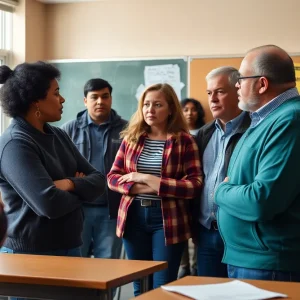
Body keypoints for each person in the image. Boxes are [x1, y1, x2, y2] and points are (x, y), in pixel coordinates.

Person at [0, 62, 105, 258]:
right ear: (35, 101)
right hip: (29, 254)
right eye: (56, 93)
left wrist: (68, 184)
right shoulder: (15, 144)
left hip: (70, 246)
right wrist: (83, 188)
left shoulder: (58, 134)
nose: (62, 99)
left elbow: (99, 181)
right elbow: (49, 204)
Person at [107, 83, 202, 296]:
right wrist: (144, 187)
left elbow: (195, 185)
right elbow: (113, 178)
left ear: (170, 109)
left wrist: (149, 179)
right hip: (133, 217)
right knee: (140, 283)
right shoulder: (131, 138)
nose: (150, 110)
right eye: (146, 104)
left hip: (168, 219)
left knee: (162, 285)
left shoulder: (184, 141)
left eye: (158, 105)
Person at [215, 45, 300, 282]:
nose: (237, 85)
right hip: (250, 258)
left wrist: (220, 191)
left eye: (241, 78)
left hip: (270, 263)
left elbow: (262, 201)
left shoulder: (290, 120)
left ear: (262, 84)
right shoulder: (264, 120)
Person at [193, 66, 251, 277]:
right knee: (208, 292)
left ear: (238, 91)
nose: (213, 99)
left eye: (220, 91)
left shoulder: (253, 129)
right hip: (206, 231)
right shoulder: (204, 133)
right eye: (209, 93)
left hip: (239, 233)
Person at [62, 78, 126, 260]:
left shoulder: (127, 130)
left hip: (111, 209)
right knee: (76, 261)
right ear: (85, 100)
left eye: (105, 96)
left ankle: (106, 292)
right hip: (77, 208)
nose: (100, 102)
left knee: (108, 264)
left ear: (111, 99)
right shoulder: (68, 129)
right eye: (94, 97)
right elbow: (58, 166)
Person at [178, 98, 206, 278]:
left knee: (197, 230)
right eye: (185, 109)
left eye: (193, 109)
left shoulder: (206, 132)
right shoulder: (174, 134)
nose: (189, 113)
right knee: (179, 232)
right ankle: (183, 267)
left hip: (198, 188)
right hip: (178, 190)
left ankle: (196, 266)